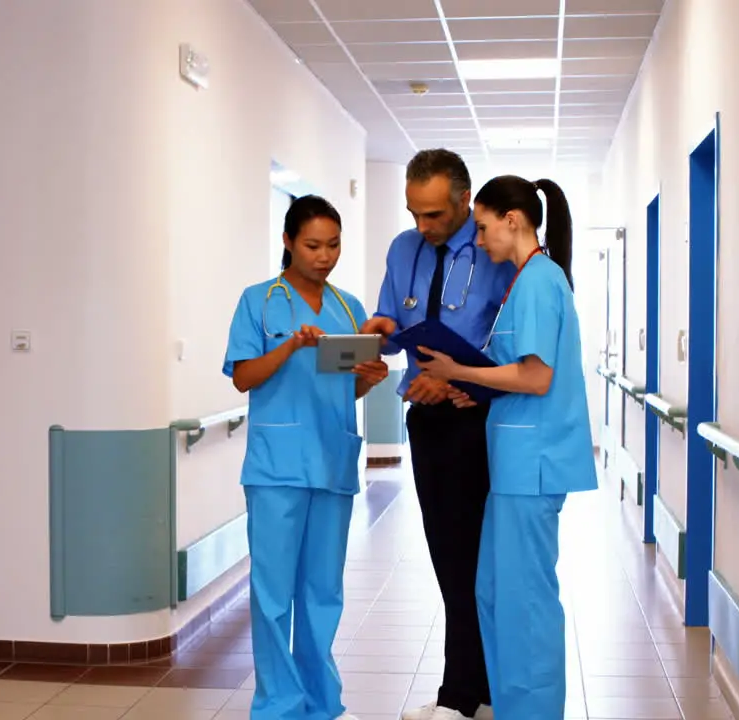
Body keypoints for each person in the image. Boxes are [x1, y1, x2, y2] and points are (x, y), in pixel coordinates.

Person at [415, 175, 598, 720]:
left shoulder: (541, 281)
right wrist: (482, 391)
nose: (480, 238)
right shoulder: (525, 281)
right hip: (513, 464)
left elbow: (538, 377)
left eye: (484, 226)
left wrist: (459, 371)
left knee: (527, 604)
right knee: (493, 592)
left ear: (512, 220)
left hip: (532, 466)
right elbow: (519, 372)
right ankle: (511, 704)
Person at [358, 149, 516, 720]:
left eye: (433, 216)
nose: (422, 227)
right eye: (413, 214)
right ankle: (473, 692)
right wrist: (379, 332)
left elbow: (513, 341)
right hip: (425, 417)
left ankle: (469, 694)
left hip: (479, 416)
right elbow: (393, 322)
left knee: (477, 560)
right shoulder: (404, 249)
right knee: (448, 558)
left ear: (463, 201)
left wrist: (462, 383)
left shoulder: (493, 248)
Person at [223, 194, 389, 720]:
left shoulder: (348, 310)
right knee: (273, 596)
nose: (324, 256)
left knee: (322, 593)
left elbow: (347, 393)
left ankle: (322, 704)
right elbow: (244, 376)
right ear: (288, 242)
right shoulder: (260, 302)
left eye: (334, 245)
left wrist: (369, 379)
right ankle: (277, 705)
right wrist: (290, 346)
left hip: (332, 463)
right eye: (313, 245)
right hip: (276, 468)